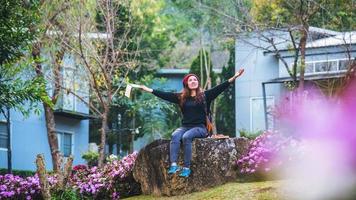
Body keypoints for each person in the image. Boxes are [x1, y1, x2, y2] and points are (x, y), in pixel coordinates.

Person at [140, 68, 244, 177]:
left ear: (198, 83)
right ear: (186, 84)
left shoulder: (205, 96)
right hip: (185, 126)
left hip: (200, 128)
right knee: (175, 135)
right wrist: (148, 89)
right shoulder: (181, 97)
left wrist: (235, 76)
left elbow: (221, 87)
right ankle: (174, 165)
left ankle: (186, 168)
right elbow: (165, 95)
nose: (193, 81)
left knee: (186, 137)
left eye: (195, 79)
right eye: (190, 80)